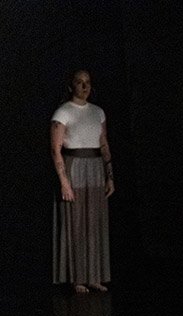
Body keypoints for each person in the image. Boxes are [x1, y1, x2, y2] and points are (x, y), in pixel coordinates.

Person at [50, 69, 115, 293]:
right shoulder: (63, 112)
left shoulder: (98, 112)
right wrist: (64, 182)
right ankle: (77, 277)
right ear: (72, 86)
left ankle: (94, 276)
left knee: (94, 222)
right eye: (79, 82)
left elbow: (104, 143)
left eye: (87, 82)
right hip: (75, 166)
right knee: (76, 222)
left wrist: (110, 175)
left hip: (95, 166)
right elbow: (55, 149)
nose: (84, 87)